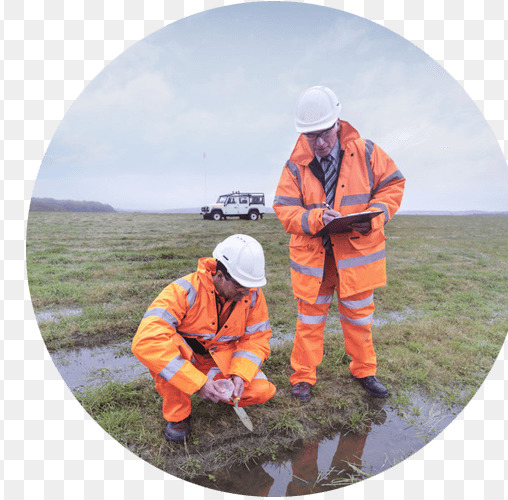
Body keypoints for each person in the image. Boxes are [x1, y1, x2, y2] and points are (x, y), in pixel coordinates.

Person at [273, 86, 406, 402]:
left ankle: (365, 372)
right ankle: (303, 378)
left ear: (337, 123)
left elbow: (393, 186)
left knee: (360, 320)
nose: (318, 143)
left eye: (323, 134)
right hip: (315, 261)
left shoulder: (368, 152)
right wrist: (316, 219)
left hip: (356, 256)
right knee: (309, 322)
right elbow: (284, 208)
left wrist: (376, 216)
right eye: (310, 136)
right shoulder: (295, 164)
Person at [131, 234, 277, 443]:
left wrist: (240, 375)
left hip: (219, 358)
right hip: (187, 358)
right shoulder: (182, 291)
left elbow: (257, 338)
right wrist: (197, 383)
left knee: (261, 391)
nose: (245, 292)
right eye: (239, 286)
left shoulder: (251, 293)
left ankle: (219, 389)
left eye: (250, 286)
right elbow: (146, 341)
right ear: (219, 275)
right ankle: (178, 415)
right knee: (166, 353)